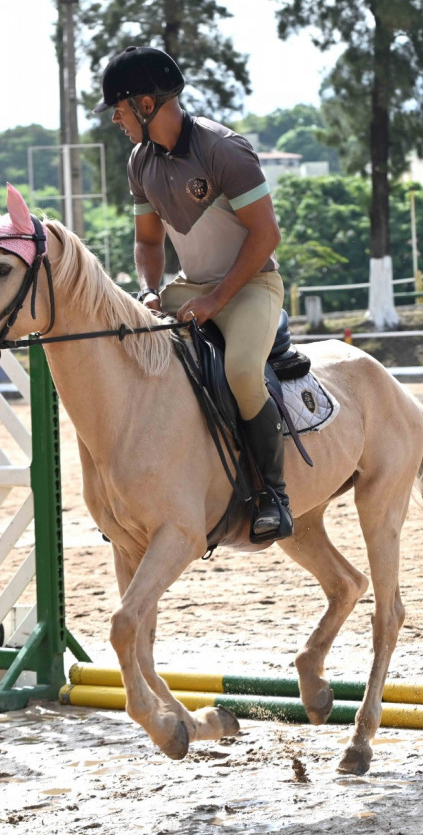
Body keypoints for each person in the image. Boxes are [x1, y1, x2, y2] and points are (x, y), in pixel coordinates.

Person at [93, 45, 292, 542]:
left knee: (242, 372)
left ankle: (272, 494)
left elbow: (266, 235)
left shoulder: (223, 149)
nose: (115, 120)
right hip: (190, 288)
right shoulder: (139, 162)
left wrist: (215, 301)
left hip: (251, 286)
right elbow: (147, 242)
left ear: (145, 105)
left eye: (119, 109)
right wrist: (149, 291)